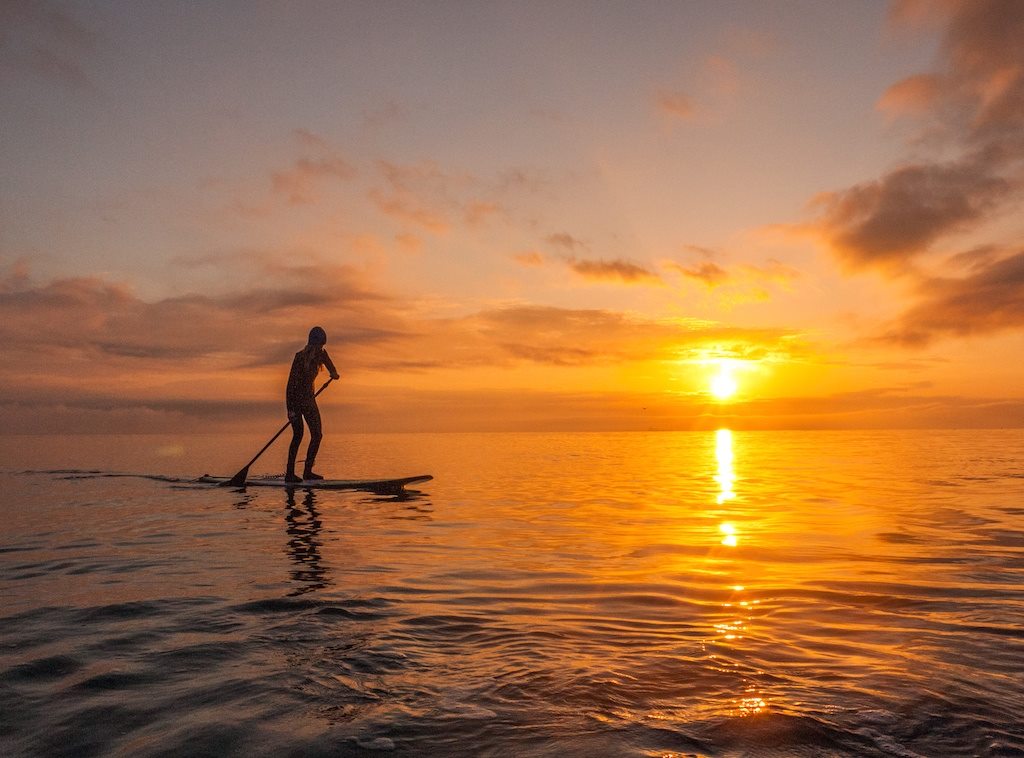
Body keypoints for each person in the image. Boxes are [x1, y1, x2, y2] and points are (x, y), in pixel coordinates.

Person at [285, 326, 340, 482]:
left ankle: (307, 472)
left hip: (309, 400)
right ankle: (289, 474)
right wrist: (290, 410)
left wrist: (334, 373)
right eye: (319, 345)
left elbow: (330, 366)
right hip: (295, 402)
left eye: (322, 346)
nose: (321, 348)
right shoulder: (299, 357)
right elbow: (290, 385)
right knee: (298, 435)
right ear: (313, 344)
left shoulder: (320, 355)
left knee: (317, 435)